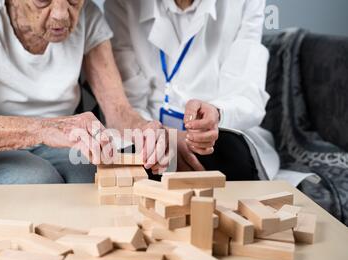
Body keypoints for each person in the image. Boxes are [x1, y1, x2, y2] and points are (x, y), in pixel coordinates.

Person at [0, 0, 165, 200]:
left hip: (51, 143)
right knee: (37, 180)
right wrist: (42, 129)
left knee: (89, 176)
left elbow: (118, 110)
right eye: (42, 1)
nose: (61, 15)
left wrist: (145, 129)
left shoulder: (88, 15)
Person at [104, 0, 280, 180]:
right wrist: (160, 137)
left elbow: (246, 93)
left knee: (225, 153)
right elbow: (127, 103)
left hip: (217, 133)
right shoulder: (123, 4)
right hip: (146, 127)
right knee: (137, 160)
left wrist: (216, 113)